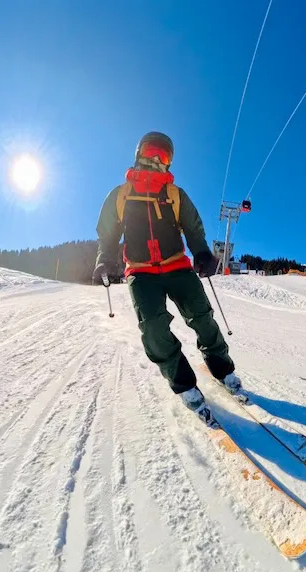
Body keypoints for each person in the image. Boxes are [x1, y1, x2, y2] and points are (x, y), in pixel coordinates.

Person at [92, 131, 241, 422]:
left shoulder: (174, 194)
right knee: (153, 328)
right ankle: (184, 384)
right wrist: (104, 260)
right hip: (141, 271)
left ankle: (222, 368)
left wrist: (201, 252)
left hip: (177, 266)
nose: (157, 160)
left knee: (202, 316)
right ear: (139, 154)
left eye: (165, 156)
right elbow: (107, 234)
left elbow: (193, 227)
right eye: (152, 152)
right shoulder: (120, 195)